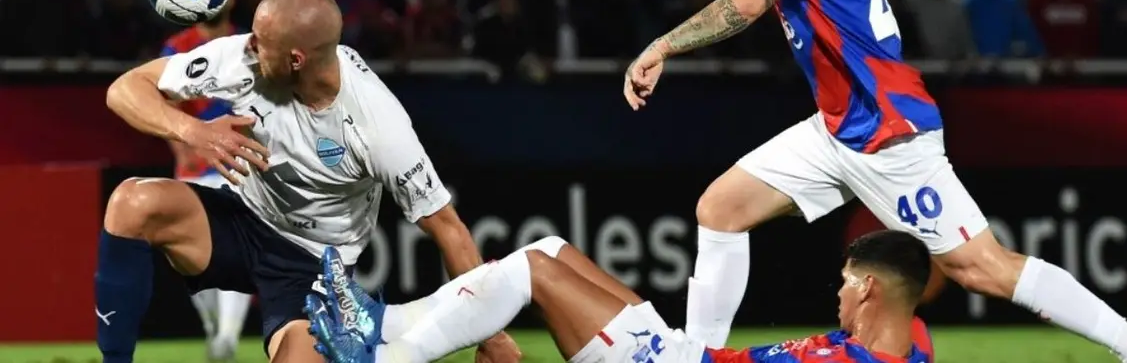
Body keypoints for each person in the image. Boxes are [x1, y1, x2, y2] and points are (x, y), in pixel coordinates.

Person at [621, 0, 1127, 363]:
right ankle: (696, 357)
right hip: (838, 125)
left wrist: (662, 46)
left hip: (887, 133)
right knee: (720, 208)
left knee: (982, 266)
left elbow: (746, 3)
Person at [95, 0, 520, 363]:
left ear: (296, 59)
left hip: (314, 269)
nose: (248, 48)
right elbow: (125, 90)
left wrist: (491, 333)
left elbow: (448, 227)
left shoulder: (378, 126)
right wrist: (193, 131)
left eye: (262, 44)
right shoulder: (243, 58)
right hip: (243, 218)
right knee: (132, 203)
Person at [305, 230, 936, 363]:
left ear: (872, 289)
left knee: (531, 270)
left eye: (848, 284)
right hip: (687, 354)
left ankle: (387, 359)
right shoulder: (910, 345)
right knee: (550, 247)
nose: (839, 295)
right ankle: (384, 320)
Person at [160, 3, 253, 361]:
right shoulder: (177, 46)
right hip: (195, 166)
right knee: (187, 253)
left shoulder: (248, 43)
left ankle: (227, 337)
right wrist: (180, 149)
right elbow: (163, 103)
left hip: (237, 163)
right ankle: (213, 327)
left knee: (239, 251)